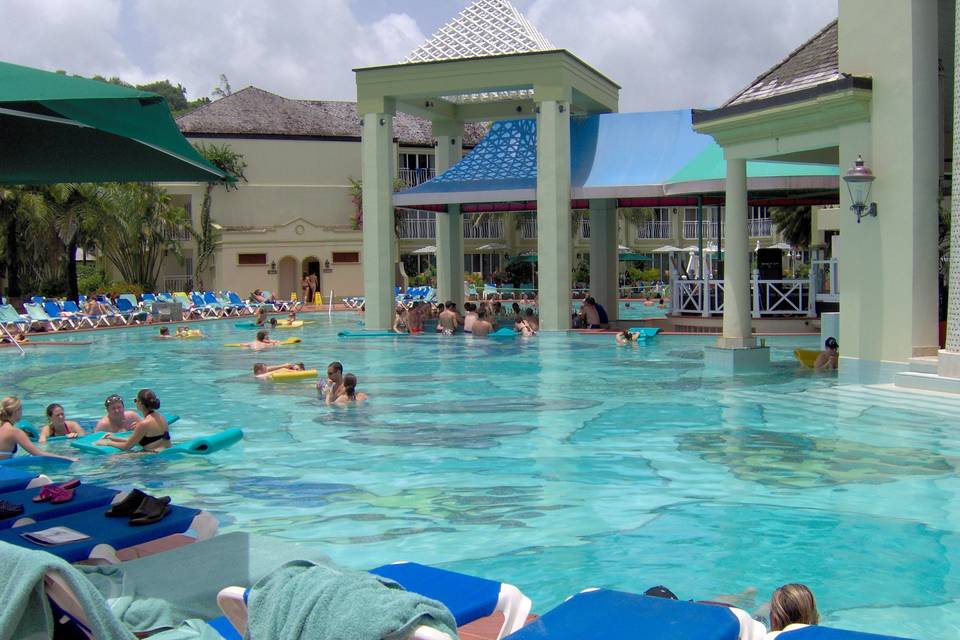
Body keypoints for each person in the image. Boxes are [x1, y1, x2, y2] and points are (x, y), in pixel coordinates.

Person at [0, 397, 78, 461]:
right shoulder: (15, 432)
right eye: (21, 409)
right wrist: (67, 458)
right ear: (16, 411)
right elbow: (38, 453)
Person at [97, 389, 171, 452]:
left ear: (141, 404)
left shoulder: (144, 424)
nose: (135, 403)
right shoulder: (161, 417)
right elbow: (138, 441)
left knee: (113, 459)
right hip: (165, 451)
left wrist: (108, 442)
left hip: (153, 457)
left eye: (136, 400)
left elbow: (126, 447)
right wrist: (114, 438)